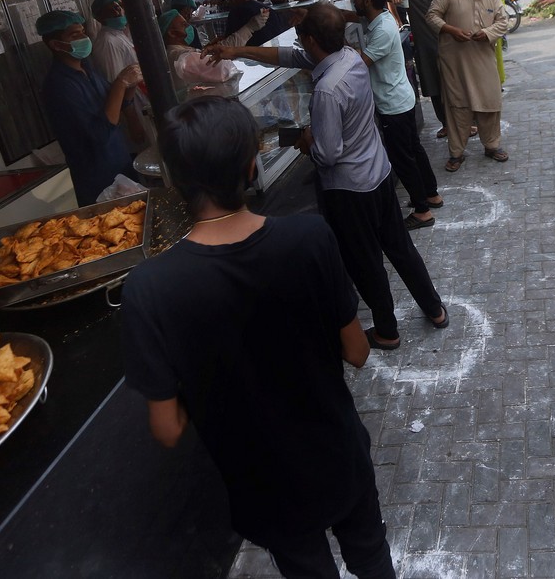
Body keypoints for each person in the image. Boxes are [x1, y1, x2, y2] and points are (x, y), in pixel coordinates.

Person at [119, 97, 397, 579]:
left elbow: (167, 428)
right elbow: (357, 352)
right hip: (335, 453)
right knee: (371, 557)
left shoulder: (148, 288)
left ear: (172, 181)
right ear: (251, 165)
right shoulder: (309, 238)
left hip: (261, 483)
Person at [208, 3, 448, 349]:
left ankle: (386, 331)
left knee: (366, 264)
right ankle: (434, 308)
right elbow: (288, 57)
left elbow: (328, 154)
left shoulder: (326, 90)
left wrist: (306, 141)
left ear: (310, 39)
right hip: (378, 174)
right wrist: (237, 50)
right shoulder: (347, 56)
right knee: (400, 248)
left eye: (302, 37)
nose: (300, 45)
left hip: (350, 191)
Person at [348, 0, 443, 229]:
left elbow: (360, 64)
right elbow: (355, 17)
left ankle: (422, 211)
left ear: (367, 0)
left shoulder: (382, 29)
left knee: (403, 159)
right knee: (414, 149)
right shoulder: (382, 18)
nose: (352, 1)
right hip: (402, 97)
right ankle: (431, 194)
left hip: (392, 104)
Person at [36, 10, 141, 206]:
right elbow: (100, 131)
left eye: (83, 31)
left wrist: (130, 85)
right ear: (56, 45)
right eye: (75, 35)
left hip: (119, 160)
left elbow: (117, 105)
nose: (84, 37)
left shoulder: (87, 69)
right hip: (97, 176)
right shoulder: (59, 86)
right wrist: (120, 83)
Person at [425, 0, 512, 171]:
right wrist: (451, 30)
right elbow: (432, 16)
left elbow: (504, 21)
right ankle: (456, 153)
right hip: (455, 63)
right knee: (458, 108)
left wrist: (489, 32)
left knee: (490, 103)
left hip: (483, 60)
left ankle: (492, 146)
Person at [388, 0, 450, 137]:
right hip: (425, 50)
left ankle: (462, 123)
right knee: (434, 89)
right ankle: (446, 124)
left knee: (452, 87)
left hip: (447, 47)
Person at [88, 0, 146, 151]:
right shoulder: (107, 42)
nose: (117, 12)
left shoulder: (118, 34)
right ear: (99, 17)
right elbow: (117, 84)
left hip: (139, 100)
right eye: (111, 10)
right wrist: (133, 120)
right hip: (132, 107)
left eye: (118, 7)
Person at [159, 9, 246, 98]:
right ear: (172, 33)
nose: (189, 26)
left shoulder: (172, 53)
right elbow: (226, 69)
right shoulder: (183, 58)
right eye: (184, 25)